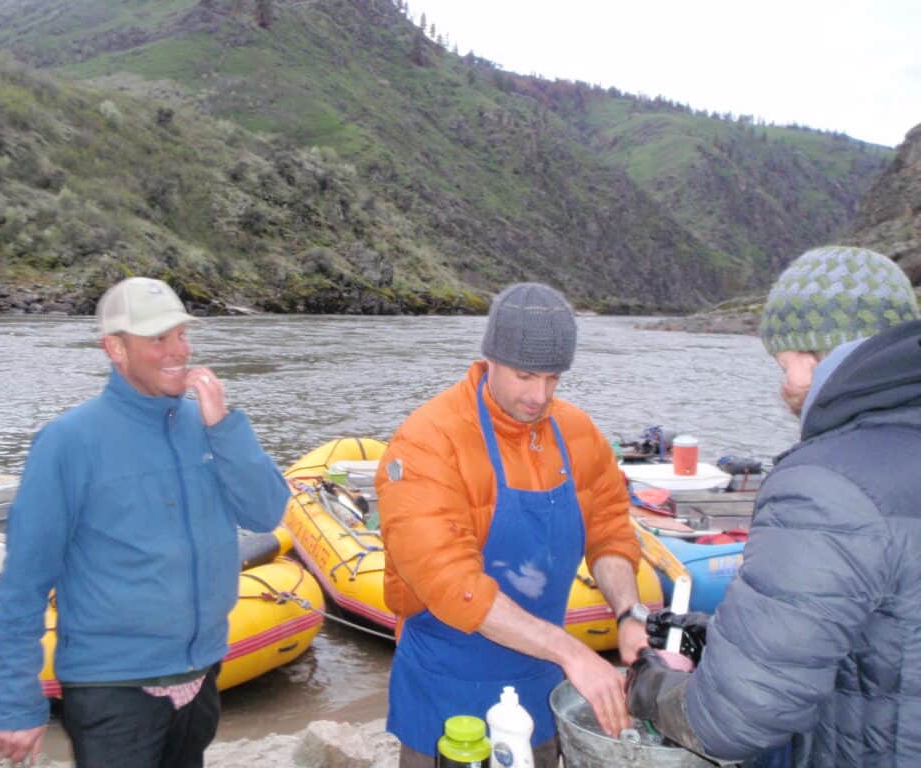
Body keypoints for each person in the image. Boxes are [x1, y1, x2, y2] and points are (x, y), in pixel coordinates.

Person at [627, 245, 921, 765]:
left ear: (815, 353)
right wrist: (727, 640)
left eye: (783, 364)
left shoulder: (825, 485)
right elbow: (888, 634)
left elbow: (731, 721)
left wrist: (650, 686)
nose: (785, 387)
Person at [0, 277, 290, 767]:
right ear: (115, 348)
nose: (179, 351)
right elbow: (24, 580)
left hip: (201, 674)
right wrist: (17, 701)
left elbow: (266, 512)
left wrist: (225, 427)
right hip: (113, 688)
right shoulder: (67, 443)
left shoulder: (209, 427)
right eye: (157, 338)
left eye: (181, 335)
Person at [377, 282, 648, 768]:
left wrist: (630, 612)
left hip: (541, 686)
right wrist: (573, 653)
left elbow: (609, 529)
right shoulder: (426, 442)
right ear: (491, 359)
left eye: (552, 378)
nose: (539, 395)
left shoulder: (578, 433)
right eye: (525, 376)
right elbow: (452, 583)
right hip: (448, 690)